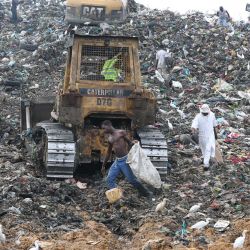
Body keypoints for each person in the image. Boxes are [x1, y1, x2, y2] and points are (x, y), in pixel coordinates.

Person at [101, 120, 152, 197]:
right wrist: (103, 165)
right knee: (109, 179)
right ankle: (118, 196)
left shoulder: (121, 133)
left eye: (104, 128)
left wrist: (135, 144)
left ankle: (147, 193)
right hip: (117, 161)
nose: (104, 130)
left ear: (109, 125)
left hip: (125, 160)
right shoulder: (110, 138)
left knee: (132, 180)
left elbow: (129, 143)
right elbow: (108, 152)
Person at [191, 104, 217, 171]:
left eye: (206, 113)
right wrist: (194, 130)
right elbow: (194, 125)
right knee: (204, 150)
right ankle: (207, 161)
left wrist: (215, 134)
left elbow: (214, 126)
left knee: (209, 148)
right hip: (202, 136)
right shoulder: (198, 116)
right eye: (204, 113)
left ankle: (206, 164)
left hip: (210, 135)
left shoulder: (212, 115)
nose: (205, 114)